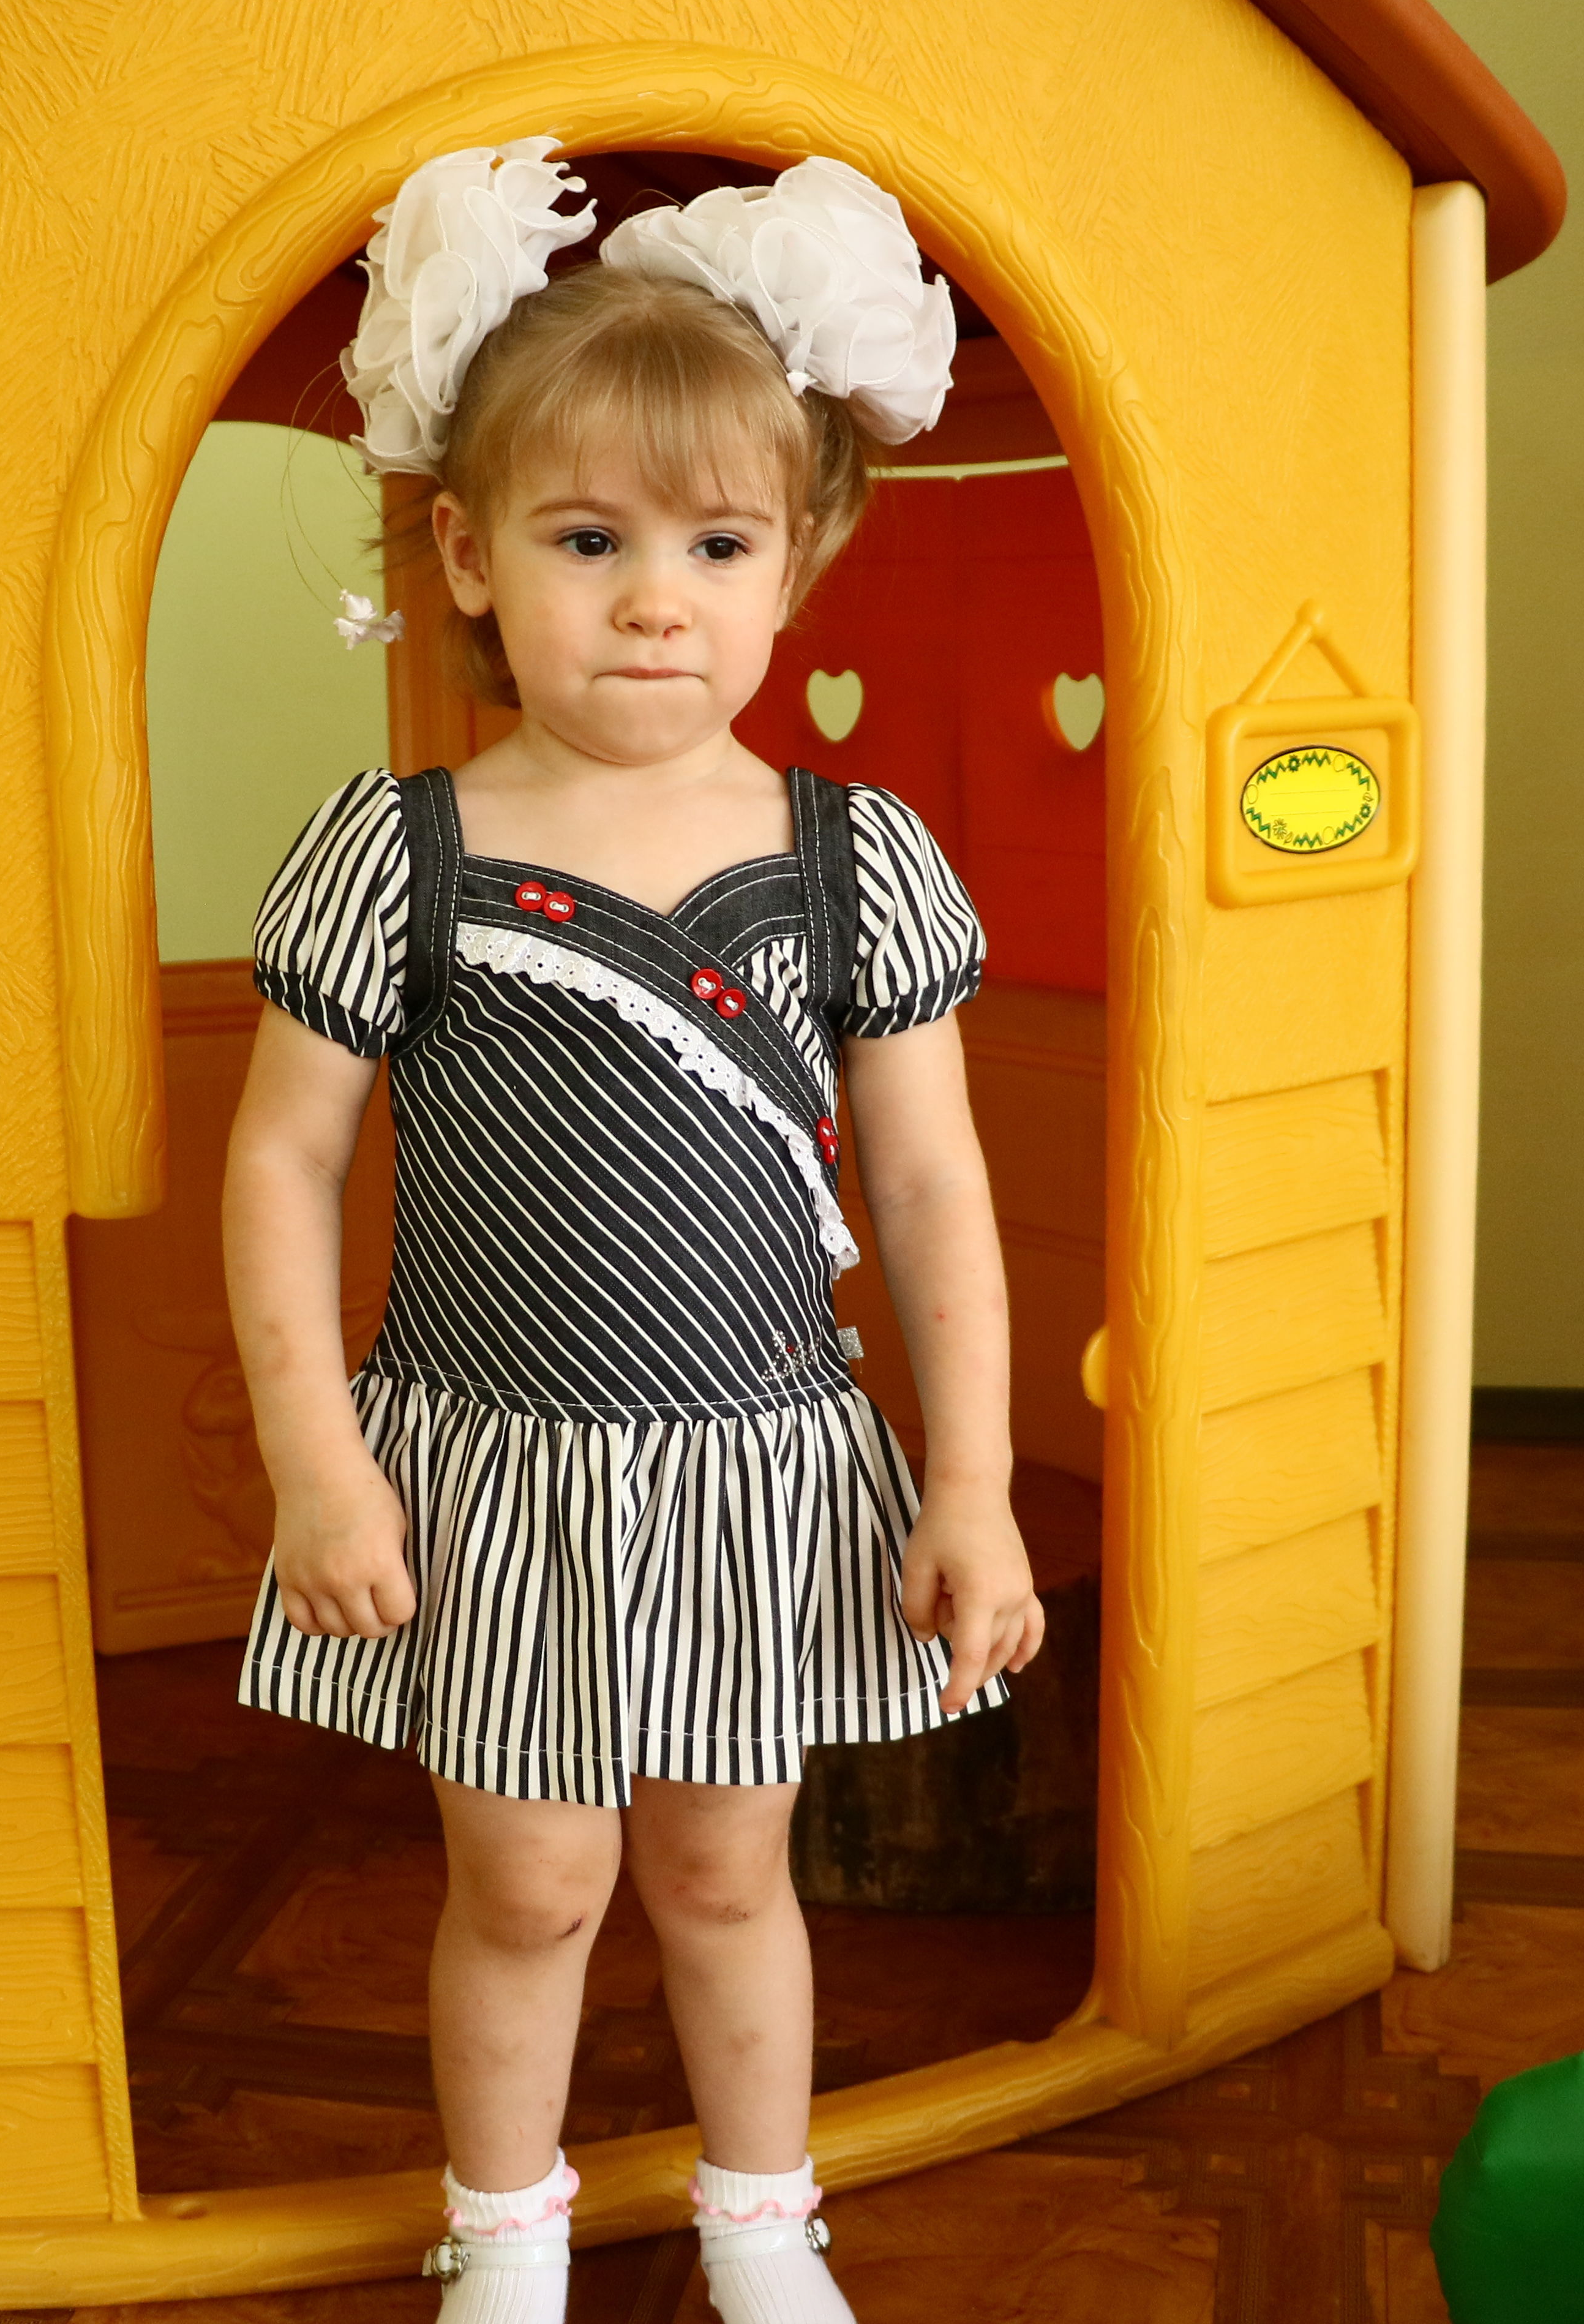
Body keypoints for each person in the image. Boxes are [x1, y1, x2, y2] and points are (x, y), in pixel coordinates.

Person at [222, 140, 1045, 2324]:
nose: (655, 600)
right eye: (590, 541)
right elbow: (285, 1161)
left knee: (726, 1870)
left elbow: (931, 1185)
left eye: (714, 545)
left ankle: (762, 2227)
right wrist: (319, 1464)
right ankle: (505, 2244)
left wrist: (971, 1480)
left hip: (754, 1468)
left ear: (799, 560)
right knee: (527, 1888)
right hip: (489, 1475)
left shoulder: (855, 856)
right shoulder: (395, 853)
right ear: (470, 555)